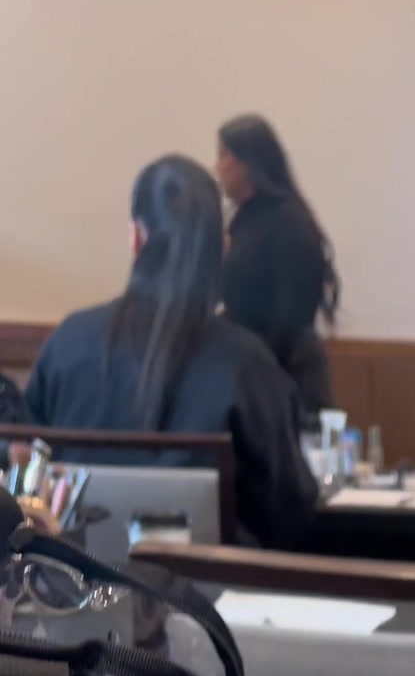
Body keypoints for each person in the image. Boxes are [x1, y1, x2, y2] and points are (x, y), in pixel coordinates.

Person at [25, 155, 316, 549]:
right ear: (222, 248)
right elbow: (290, 509)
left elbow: (29, 470)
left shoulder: (67, 342)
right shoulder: (246, 362)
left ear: (136, 238)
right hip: (216, 586)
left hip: (75, 580)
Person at [216, 115, 339, 418]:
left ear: (247, 163)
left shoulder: (289, 222)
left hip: (286, 378)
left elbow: (292, 317)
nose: (216, 167)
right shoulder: (242, 218)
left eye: (223, 155)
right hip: (249, 371)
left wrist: (251, 361)